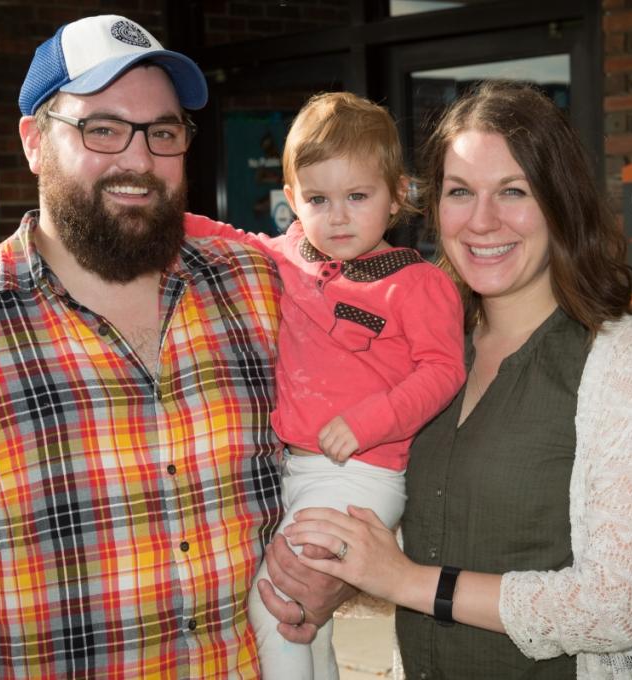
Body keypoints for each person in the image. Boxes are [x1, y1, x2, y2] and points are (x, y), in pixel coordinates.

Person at [0, 14, 336, 679]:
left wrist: (336, 570)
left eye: (163, 132)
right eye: (101, 128)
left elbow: (325, 464)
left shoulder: (254, 288)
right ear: (33, 141)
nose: (138, 160)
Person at [284, 80, 632, 679]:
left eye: (513, 191)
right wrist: (332, 580)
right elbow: (398, 536)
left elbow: (617, 608)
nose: (482, 221)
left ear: (560, 201)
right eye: (460, 192)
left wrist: (408, 581)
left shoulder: (624, 359)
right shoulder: (427, 353)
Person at [185, 91, 466, 679]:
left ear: (395, 196)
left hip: (364, 474)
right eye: (317, 199)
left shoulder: (418, 283)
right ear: (291, 201)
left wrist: (367, 422)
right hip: (300, 472)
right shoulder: (288, 255)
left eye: (357, 197)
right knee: (309, 624)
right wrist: (159, 211)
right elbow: (223, 234)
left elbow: (443, 372)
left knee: (276, 603)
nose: (337, 216)